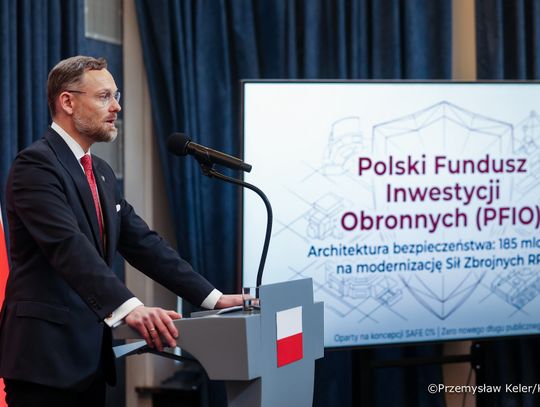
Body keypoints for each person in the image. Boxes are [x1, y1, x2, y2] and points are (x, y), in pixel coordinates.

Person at [0, 56, 242, 406]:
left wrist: (213, 298)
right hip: (44, 361)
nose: (115, 107)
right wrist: (129, 308)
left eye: (116, 96)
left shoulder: (99, 171)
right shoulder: (35, 165)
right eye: (104, 97)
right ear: (67, 102)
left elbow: (144, 244)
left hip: (89, 361)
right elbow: (68, 247)